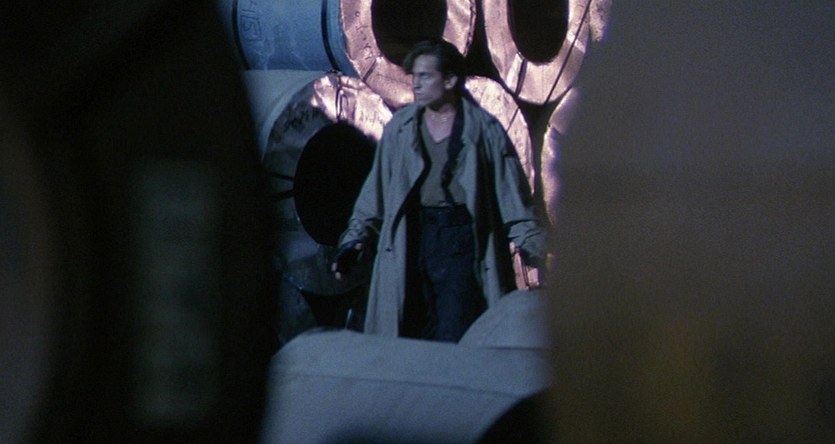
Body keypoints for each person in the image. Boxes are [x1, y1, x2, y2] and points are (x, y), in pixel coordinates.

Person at [331, 39, 545, 342]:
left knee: (455, 331)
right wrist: (353, 242)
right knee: (411, 329)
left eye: (425, 76)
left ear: (450, 80)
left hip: (461, 243)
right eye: (414, 76)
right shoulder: (401, 130)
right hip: (412, 238)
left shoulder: (484, 132)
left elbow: (514, 204)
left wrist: (540, 249)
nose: (416, 84)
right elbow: (373, 198)